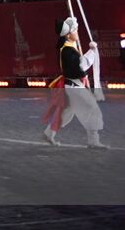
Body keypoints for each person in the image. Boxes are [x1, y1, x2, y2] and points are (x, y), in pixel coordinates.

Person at [43, 17, 107, 148]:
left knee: (67, 113)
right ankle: (93, 141)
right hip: (74, 87)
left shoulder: (69, 48)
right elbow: (81, 66)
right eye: (75, 30)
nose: (77, 32)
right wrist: (92, 52)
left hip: (72, 86)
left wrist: (90, 52)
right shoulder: (67, 50)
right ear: (68, 34)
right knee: (91, 108)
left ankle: (49, 133)